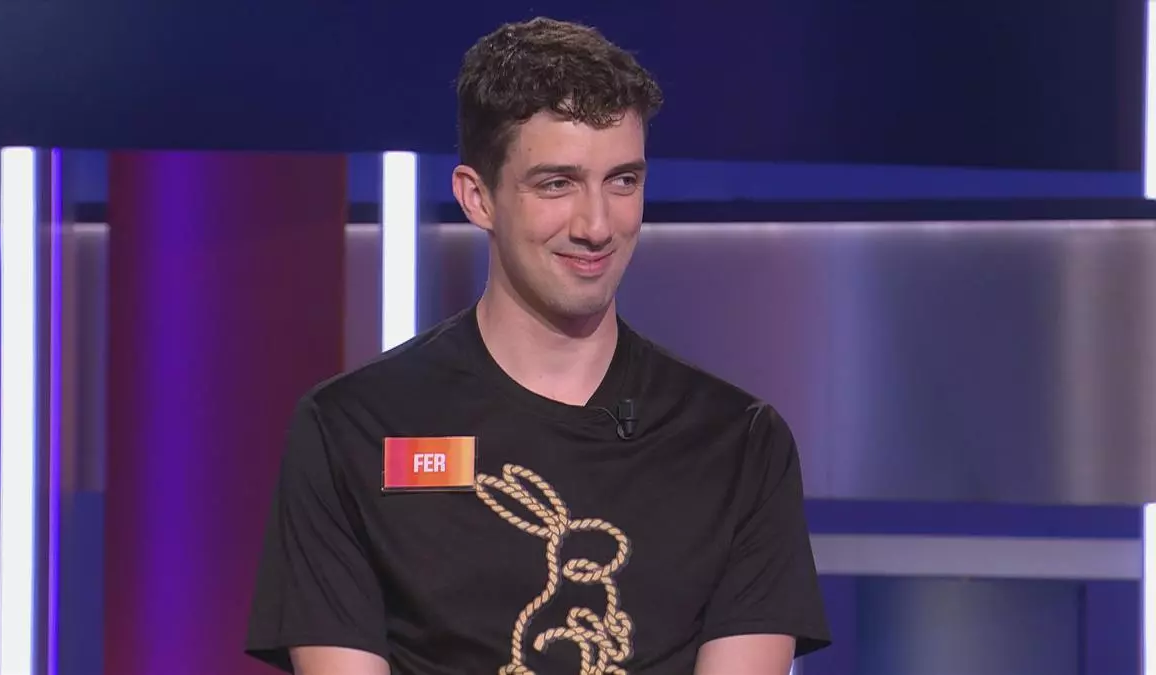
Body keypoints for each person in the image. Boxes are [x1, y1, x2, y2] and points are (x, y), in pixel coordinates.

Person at [245, 16, 831, 675]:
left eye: (623, 180)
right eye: (557, 183)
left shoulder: (737, 444)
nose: (597, 225)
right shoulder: (352, 430)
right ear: (477, 197)